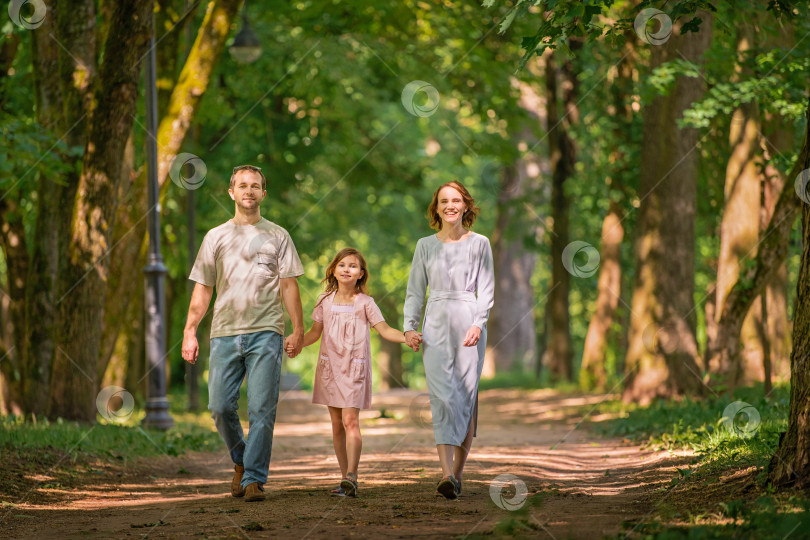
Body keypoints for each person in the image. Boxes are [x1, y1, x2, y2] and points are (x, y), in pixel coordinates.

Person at [181, 164, 305, 503]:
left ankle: (254, 479)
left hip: (267, 331)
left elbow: (289, 286)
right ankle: (242, 460)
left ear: (264, 194)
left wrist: (297, 329)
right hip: (224, 333)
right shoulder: (215, 236)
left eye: (255, 186)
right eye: (242, 185)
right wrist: (190, 331)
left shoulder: (278, 235)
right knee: (219, 406)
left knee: (262, 409)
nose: (249, 190)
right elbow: (203, 288)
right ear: (231, 192)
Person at [292, 248, 415, 498]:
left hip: (354, 368)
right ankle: (343, 479)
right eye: (342, 265)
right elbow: (315, 334)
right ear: (334, 270)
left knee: (350, 422)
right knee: (336, 425)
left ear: (361, 274)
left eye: (353, 266)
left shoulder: (365, 303)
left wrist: (407, 337)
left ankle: (352, 475)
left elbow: (385, 330)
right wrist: (295, 342)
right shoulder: (324, 300)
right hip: (329, 368)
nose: (347, 269)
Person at [403, 180, 494, 500]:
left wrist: (478, 324)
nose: (450, 205)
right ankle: (444, 474)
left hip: (469, 321)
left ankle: (457, 474)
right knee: (442, 397)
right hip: (436, 322)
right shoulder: (424, 245)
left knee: (466, 399)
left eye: (456, 200)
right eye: (444, 201)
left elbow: (487, 288)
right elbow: (415, 291)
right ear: (436, 208)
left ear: (466, 206)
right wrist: (409, 327)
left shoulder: (480, 243)